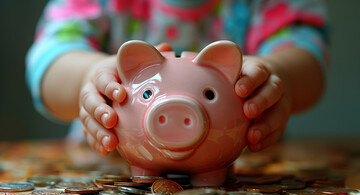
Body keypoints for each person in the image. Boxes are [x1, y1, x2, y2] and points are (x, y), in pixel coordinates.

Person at [26, 0, 329, 156]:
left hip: (248, 171)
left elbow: (309, 58)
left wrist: (280, 76)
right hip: (105, 169)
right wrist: (87, 78)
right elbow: (49, 57)